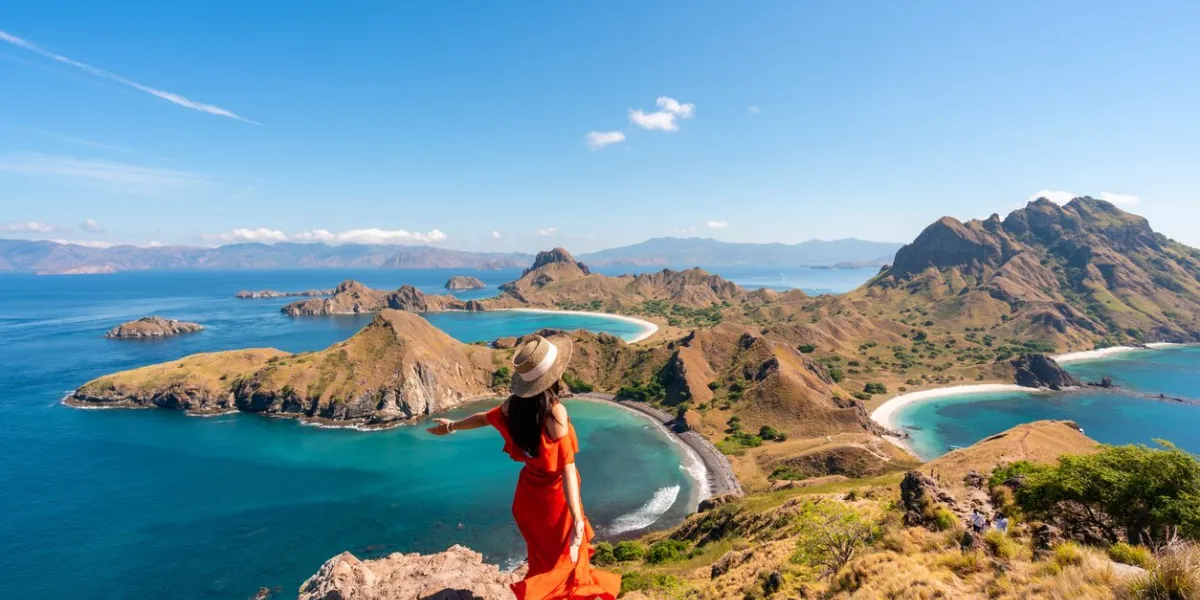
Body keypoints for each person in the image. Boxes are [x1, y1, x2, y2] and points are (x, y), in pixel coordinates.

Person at [427, 334, 620, 599]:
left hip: (529, 499)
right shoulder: (555, 413)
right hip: (556, 503)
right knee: (565, 566)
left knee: (543, 562)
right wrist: (576, 517)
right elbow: (566, 468)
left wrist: (450, 426)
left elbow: (484, 418)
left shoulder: (512, 406)